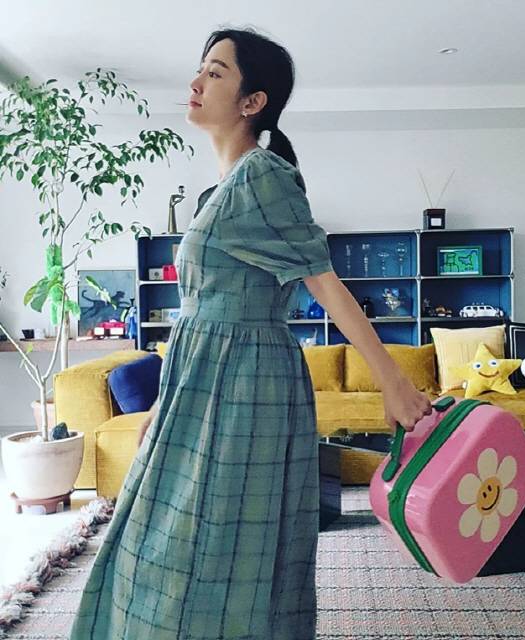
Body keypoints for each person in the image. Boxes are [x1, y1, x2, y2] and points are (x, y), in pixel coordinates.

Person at [68, 26, 432, 640]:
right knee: (164, 535)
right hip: (202, 378)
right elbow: (200, 311)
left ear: (252, 102)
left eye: (215, 72)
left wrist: (392, 383)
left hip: (244, 385)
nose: (196, 81)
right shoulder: (219, 191)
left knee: (218, 542)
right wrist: (163, 402)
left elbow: (325, 282)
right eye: (200, 68)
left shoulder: (263, 175)